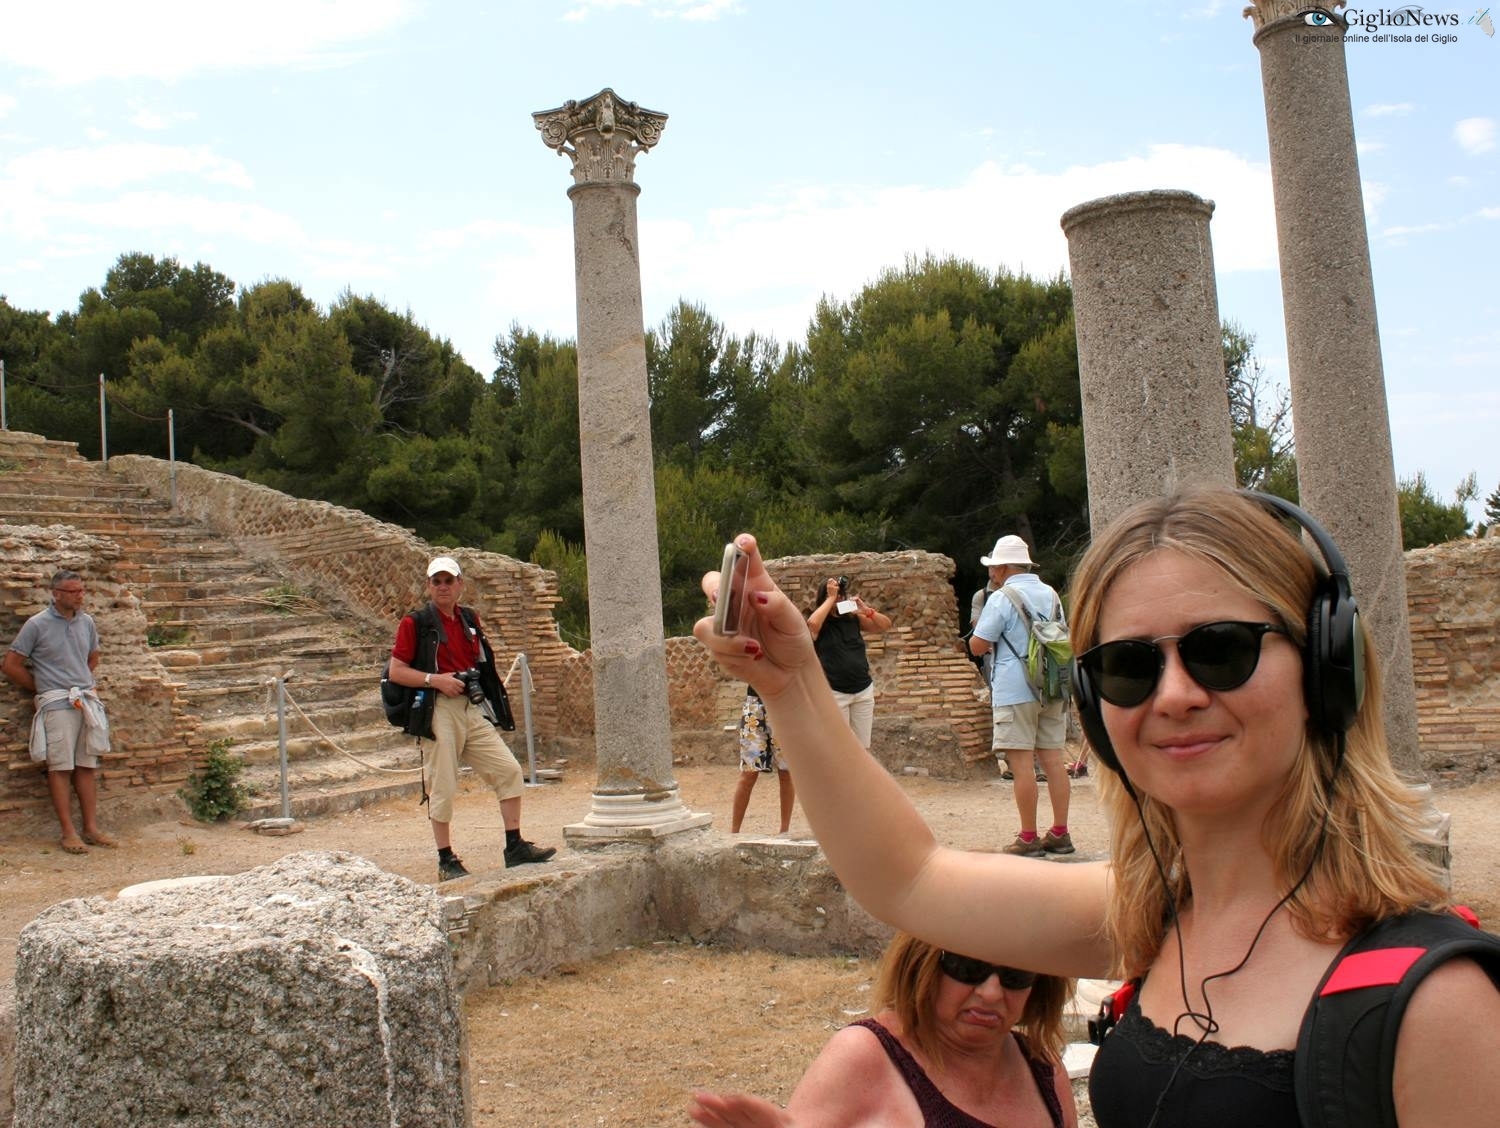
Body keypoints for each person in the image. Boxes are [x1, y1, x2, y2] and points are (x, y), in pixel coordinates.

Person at [694, 488, 1500, 1127]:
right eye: (1128, 667)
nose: (1176, 695)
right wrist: (792, 681)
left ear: (1327, 669)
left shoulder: (1437, 1004)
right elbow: (907, 880)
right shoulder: (1155, 917)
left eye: (1223, 649)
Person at [688, 932, 1077, 1128]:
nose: (991, 992)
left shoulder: (1042, 1065)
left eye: (1015, 973)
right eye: (967, 967)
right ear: (922, 962)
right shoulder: (865, 1054)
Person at [387, 555, 555, 881]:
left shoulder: (469, 619)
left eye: (449, 580)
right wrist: (436, 680)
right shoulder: (415, 623)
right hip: (438, 707)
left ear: (460, 584)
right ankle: (445, 859)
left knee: (507, 770)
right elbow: (396, 671)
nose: (443, 587)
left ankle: (514, 845)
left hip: (469, 706)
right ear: (428, 586)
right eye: (437, 581)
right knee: (444, 785)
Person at [967, 535, 1072, 857]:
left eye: (993, 568)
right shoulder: (1051, 594)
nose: (991, 574)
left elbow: (978, 645)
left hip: (1015, 688)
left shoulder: (1002, 597)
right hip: (1052, 685)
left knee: (1022, 764)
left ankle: (1028, 836)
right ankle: (1060, 832)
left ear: (1001, 568)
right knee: (1054, 761)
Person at [3, 569, 119, 855]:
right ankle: (68, 832)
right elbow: (11, 664)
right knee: (60, 767)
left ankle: (91, 829)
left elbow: (93, 656)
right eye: (73, 591)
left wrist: (80, 683)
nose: (79, 595)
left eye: (81, 590)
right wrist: (43, 689)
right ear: (56, 594)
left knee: (86, 765)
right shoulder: (37, 625)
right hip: (57, 704)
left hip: (84, 700)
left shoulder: (87, 622)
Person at [806, 575, 890, 748]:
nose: (840, 597)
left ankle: (859, 776)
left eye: (841, 594)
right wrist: (830, 598)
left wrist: (867, 611)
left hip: (863, 690)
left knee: (862, 747)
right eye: (837, 594)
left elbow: (885, 625)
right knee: (838, 747)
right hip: (835, 692)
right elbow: (812, 625)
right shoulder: (820, 623)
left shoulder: (853, 618)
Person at [731, 687, 795, 835]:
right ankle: (733, 833)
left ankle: (784, 832)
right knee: (749, 772)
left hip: (782, 703)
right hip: (754, 704)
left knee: (786, 771)